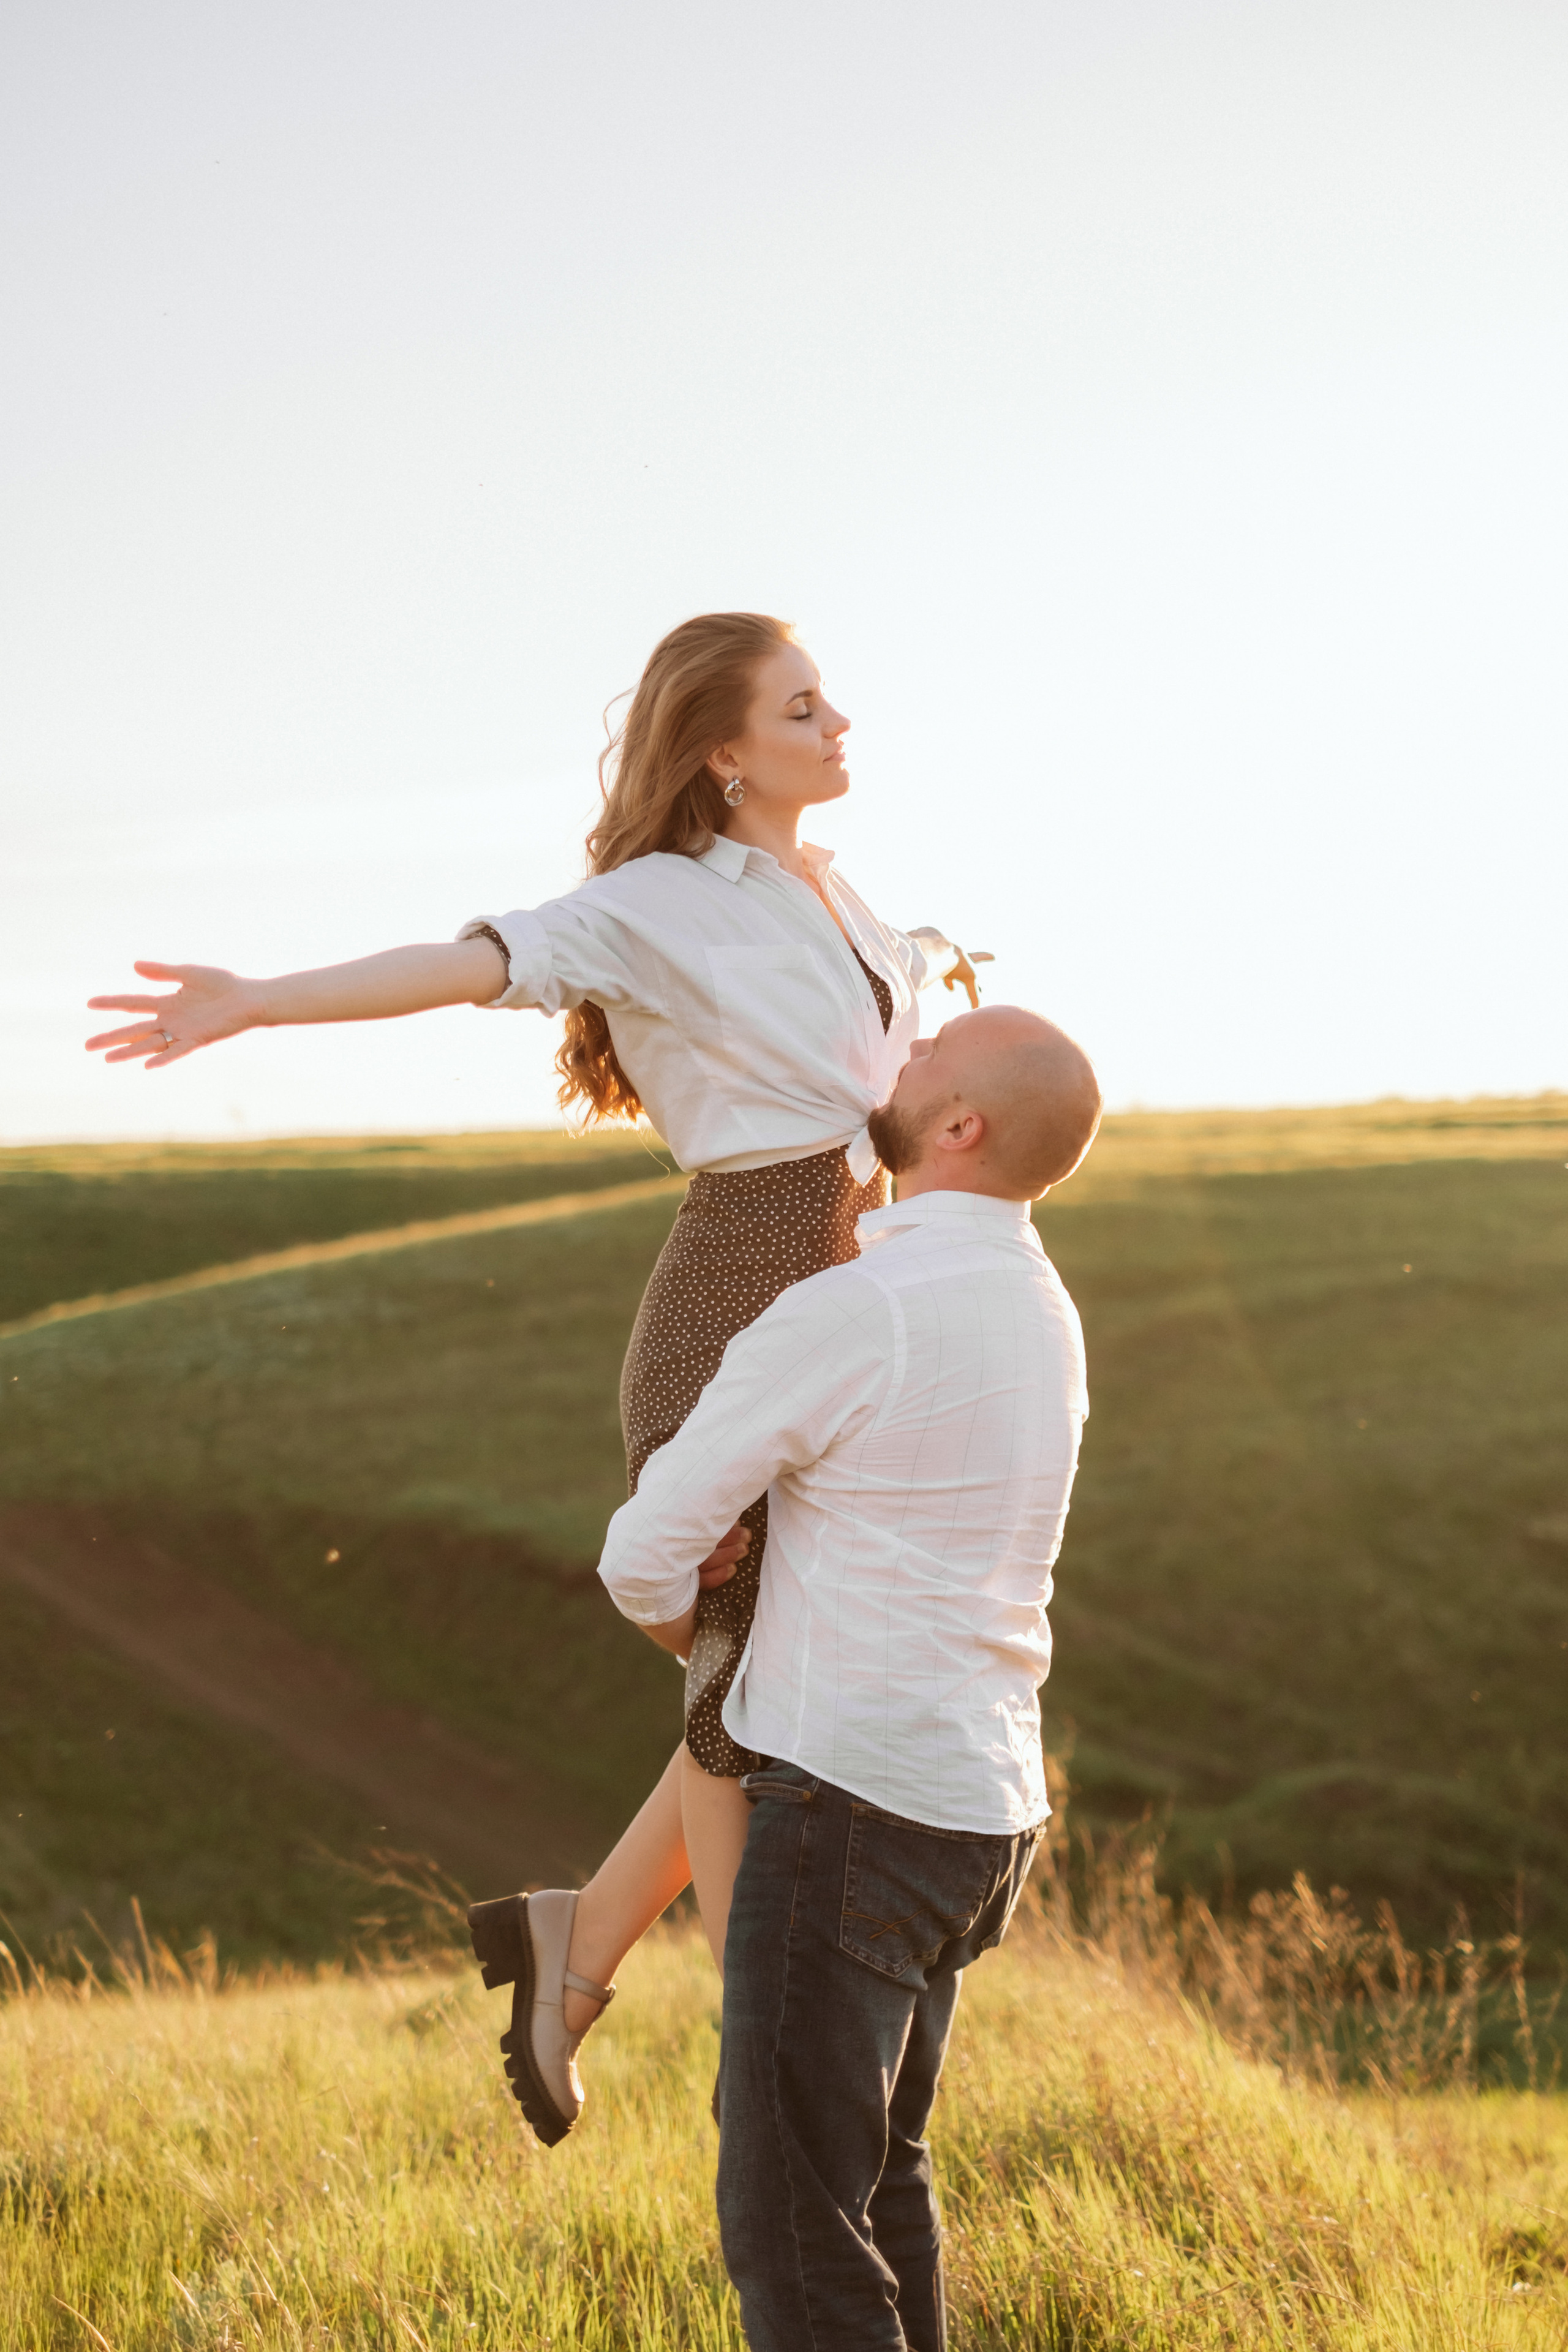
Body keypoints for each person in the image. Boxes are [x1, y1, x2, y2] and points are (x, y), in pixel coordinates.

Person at [83, 610, 986, 2143]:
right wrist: (256, 999)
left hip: (853, 1293)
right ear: (718, 749)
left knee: (778, 1676)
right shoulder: (651, 903)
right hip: (736, 1293)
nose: (838, 727)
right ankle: (755, 2034)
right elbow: (470, 961)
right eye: (800, 709)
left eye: (828, 703)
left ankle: (576, 1944)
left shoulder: (844, 895)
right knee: (745, 1682)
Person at [597, 1004, 1101, 2352]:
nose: (899, 1051)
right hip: (981, 1806)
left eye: (927, 1052)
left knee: (791, 2221)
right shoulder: (1045, 1310)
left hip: (855, 1806)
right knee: (879, 2179)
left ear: (958, 1127)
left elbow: (641, 1553)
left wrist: (696, 1632)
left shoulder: (853, 1309)